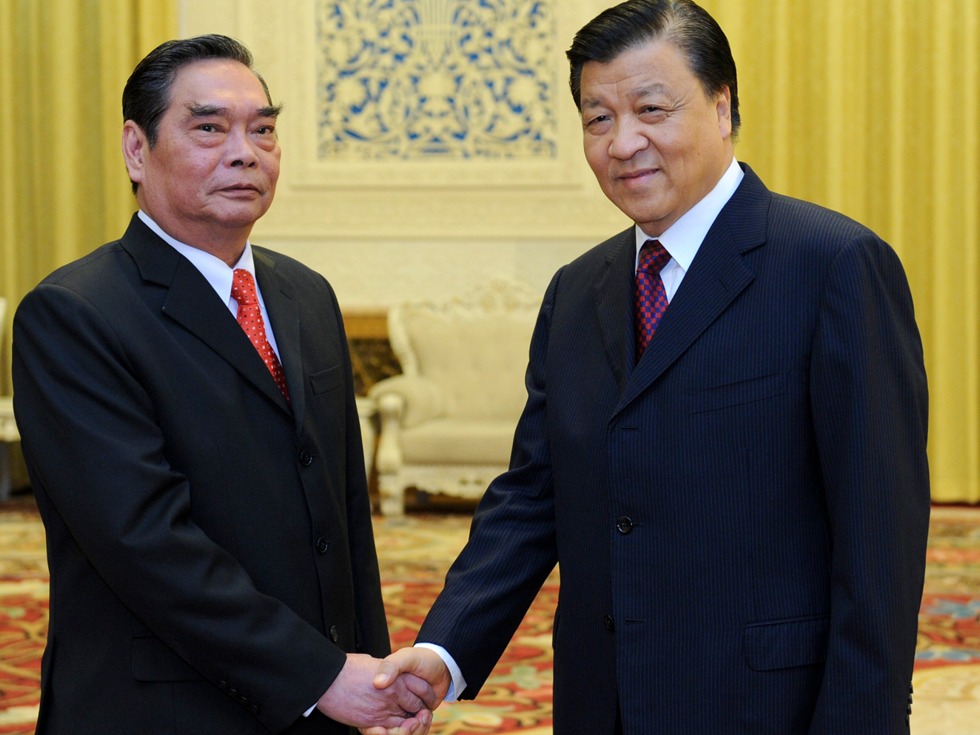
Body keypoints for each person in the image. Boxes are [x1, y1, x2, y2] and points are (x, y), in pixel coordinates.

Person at [371, 1, 931, 733]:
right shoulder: (578, 291)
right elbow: (535, 493)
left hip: (763, 705)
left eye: (652, 109)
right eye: (597, 118)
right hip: (603, 701)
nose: (623, 142)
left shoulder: (833, 266)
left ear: (722, 106)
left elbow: (879, 537)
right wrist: (444, 650)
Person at [12, 35, 433, 735]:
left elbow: (344, 523)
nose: (245, 152)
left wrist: (374, 682)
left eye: (262, 130)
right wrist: (322, 676)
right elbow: (147, 544)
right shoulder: (76, 314)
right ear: (136, 150)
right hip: (163, 708)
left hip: (320, 701)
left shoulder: (305, 295)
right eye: (209, 128)